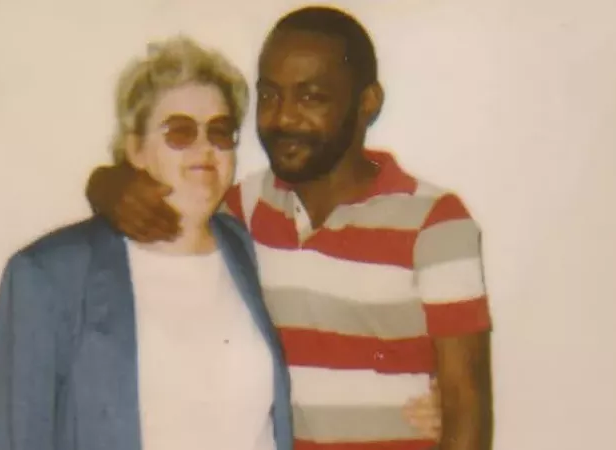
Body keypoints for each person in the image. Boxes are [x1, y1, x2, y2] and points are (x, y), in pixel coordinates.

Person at [86, 5, 494, 450]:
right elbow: (167, 209)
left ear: (367, 103)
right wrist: (105, 183)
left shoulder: (435, 223)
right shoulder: (242, 209)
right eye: (269, 96)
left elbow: (467, 412)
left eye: (311, 97)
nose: (283, 118)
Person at [0, 36, 294, 450]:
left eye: (219, 132)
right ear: (136, 150)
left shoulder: (242, 243)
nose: (204, 148)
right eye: (180, 132)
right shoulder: (49, 274)